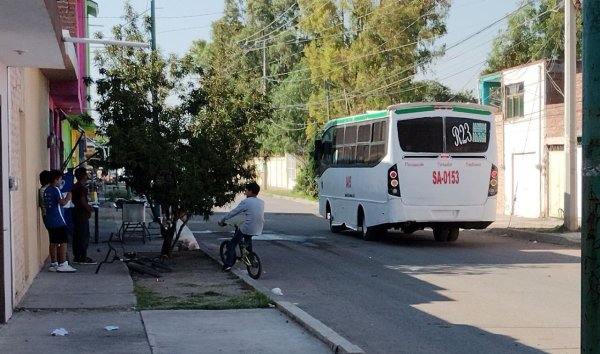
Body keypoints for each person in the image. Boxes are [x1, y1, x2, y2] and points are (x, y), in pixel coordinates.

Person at [218, 182, 265, 271]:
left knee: (232, 244)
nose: (245, 193)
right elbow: (255, 214)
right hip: (259, 226)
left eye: (246, 191)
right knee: (248, 240)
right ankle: (251, 257)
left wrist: (222, 220)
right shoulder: (261, 202)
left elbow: (234, 212)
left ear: (250, 191)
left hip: (248, 226)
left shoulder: (246, 201)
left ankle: (228, 264)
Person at [43, 169, 77, 272]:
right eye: (60, 179)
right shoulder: (55, 189)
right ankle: (63, 263)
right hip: (58, 220)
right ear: (56, 179)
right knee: (63, 242)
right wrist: (68, 197)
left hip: (49, 219)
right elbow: (61, 202)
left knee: (53, 242)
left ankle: (54, 264)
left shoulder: (46, 190)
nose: (61, 181)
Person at [71, 167, 96, 265]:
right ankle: (82, 256)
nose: (87, 176)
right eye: (85, 174)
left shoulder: (75, 186)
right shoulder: (82, 188)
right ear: (82, 176)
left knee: (77, 235)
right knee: (83, 235)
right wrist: (89, 209)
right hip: (81, 214)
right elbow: (83, 201)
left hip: (75, 212)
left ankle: (77, 255)